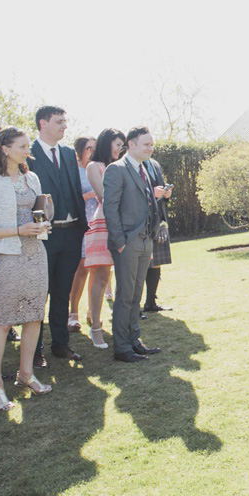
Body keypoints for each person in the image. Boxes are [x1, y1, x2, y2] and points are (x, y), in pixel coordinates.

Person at [0, 127, 52, 410]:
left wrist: (42, 223)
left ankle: (26, 374)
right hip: (7, 257)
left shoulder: (32, 177)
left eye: (28, 145)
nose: (27, 150)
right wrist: (18, 230)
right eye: (22, 146)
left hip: (36, 254)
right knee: (5, 321)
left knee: (34, 317)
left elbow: (37, 212)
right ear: (4, 149)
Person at [27, 105, 88, 365]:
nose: (64, 126)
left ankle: (61, 345)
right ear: (43, 123)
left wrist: (81, 225)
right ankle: (35, 350)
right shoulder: (27, 154)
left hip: (71, 232)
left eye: (65, 121)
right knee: (40, 294)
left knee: (63, 292)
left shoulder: (67, 152)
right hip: (44, 235)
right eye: (59, 121)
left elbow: (74, 189)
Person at [103, 126, 163, 363]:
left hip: (145, 240)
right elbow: (110, 208)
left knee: (136, 294)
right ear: (131, 144)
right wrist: (119, 243)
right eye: (146, 144)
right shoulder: (115, 170)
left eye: (152, 144)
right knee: (125, 296)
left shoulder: (144, 169)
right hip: (127, 243)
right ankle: (121, 347)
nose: (150, 148)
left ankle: (134, 340)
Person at [82, 128, 125, 349]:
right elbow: (103, 196)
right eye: (117, 144)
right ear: (107, 143)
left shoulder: (121, 166)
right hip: (102, 225)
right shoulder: (94, 166)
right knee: (100, 276)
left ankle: (122, 324)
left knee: (121, 276)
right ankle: (96, 326)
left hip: (122, 224)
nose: (120, 148)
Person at [68, 136, 96, 333]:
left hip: (99, 222)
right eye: (89, 148)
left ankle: (93, 311)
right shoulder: (73, 170)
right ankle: (73, 312)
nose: (92, 151)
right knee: (82, 268)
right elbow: (71, 197)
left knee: (99, 269)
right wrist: (91, 194)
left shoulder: (98, 168)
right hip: (81, 222)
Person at [142, 156, 173, 316]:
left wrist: (166, 194)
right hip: (141, 221)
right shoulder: (129, 163)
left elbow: (159, 190)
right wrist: (151, 194)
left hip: (158, 218)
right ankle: (134, 308)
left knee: (156, 262)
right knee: (140, 265)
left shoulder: (154, 164)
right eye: (146, 144)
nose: (149, 148)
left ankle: (150, 302)